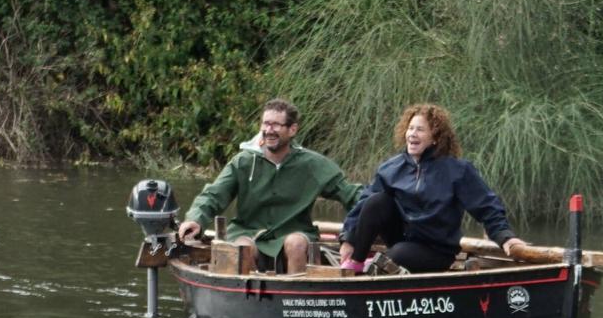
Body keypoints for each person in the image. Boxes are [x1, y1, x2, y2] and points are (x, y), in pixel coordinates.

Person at [336, 103, 530, 274]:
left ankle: (384, 264)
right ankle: (357, 263)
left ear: (435, 137)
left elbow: (486, 206)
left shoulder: (457, 170)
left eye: (420, 130)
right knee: (376, 201)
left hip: (437, 249)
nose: (412, 134)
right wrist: (348, 240)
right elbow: (363, 205)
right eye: (410, 128)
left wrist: (506, 238)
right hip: (401, 240)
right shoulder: (391, 168)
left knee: (395, 255)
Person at [175, 98, 363, 273]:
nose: (269, 130)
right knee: (242, 249)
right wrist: (195, 219)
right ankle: (246, 301)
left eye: (276, 125)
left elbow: (354, 196)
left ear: (292, 130)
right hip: (248, 232)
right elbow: (213, 195)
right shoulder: (243, 162)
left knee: (296, 244)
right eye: (265, 123)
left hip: (294, 233)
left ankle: (296, 301)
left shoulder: (313, 165)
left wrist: (354, 235)